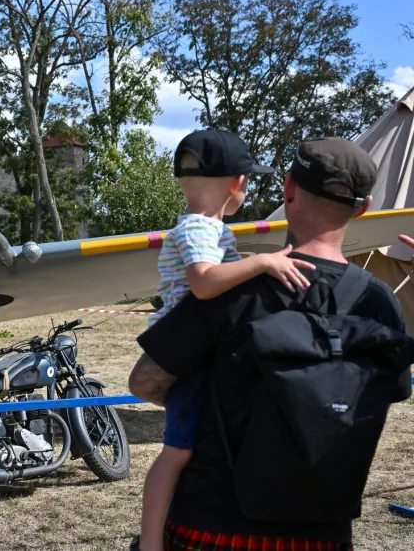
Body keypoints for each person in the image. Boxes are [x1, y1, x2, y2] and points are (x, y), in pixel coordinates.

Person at [129, 137, 414, 551]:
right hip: (322, 531)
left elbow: (145, 383)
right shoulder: (378, 301)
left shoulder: (230, 287)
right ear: (363, 208)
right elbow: (394, 391)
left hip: (210, 524)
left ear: (288, 189)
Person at [134, 130, 316, 551]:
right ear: (237, 183)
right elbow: (203, 284)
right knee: (175, 454)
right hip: (188, 355)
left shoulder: (205, 227)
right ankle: (150, 542)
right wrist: (262, 262)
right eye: (247, 180)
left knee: (194, 448)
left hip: (196, 352)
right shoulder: (200, 228)